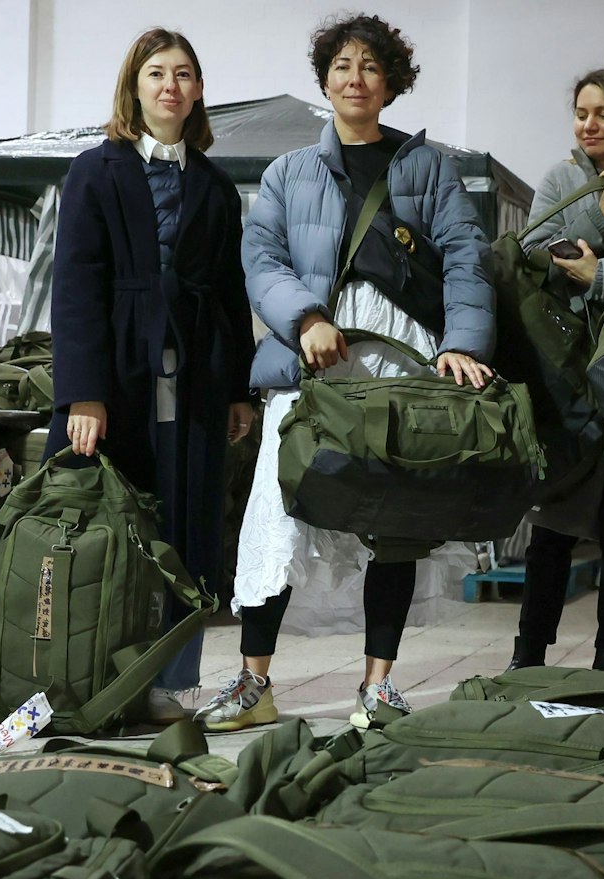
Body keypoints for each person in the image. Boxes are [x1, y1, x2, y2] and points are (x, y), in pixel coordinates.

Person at [199, 12, 495, 731]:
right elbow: (260, 259)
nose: (354, 78)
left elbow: (466, 256)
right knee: (279, 500)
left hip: (402, 357)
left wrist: (463, 342)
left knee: (392, 512)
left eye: (369, 66)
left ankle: (377, 685)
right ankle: (253, 678)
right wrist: (305, 317)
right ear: (325, 80)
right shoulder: (287, 172)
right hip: (313, 359)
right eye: (342, 65)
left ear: (391, 82)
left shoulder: (429, 168)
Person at [49, 27, 254, 723]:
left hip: (196, 378)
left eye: (185, 75)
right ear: (134, 88)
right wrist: (84, 391)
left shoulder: (217, 187)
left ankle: (172, 684)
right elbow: (75, 286)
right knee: (104, 525)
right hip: (117, 379)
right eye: (157, 73)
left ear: (198, 93)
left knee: (189, 530)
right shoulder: (95, 171)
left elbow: (231, 292)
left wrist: (237, 390)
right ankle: (83, 676)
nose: (172, 86)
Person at [508, 68, 604, 674]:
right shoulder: (563, 178)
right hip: (565, 373)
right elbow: (531, 252)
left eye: (602, 113)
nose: (589, 124)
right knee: (552, 522)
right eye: (581, 113)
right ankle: (528, 658)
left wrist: (599, 274)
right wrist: (597, 216)